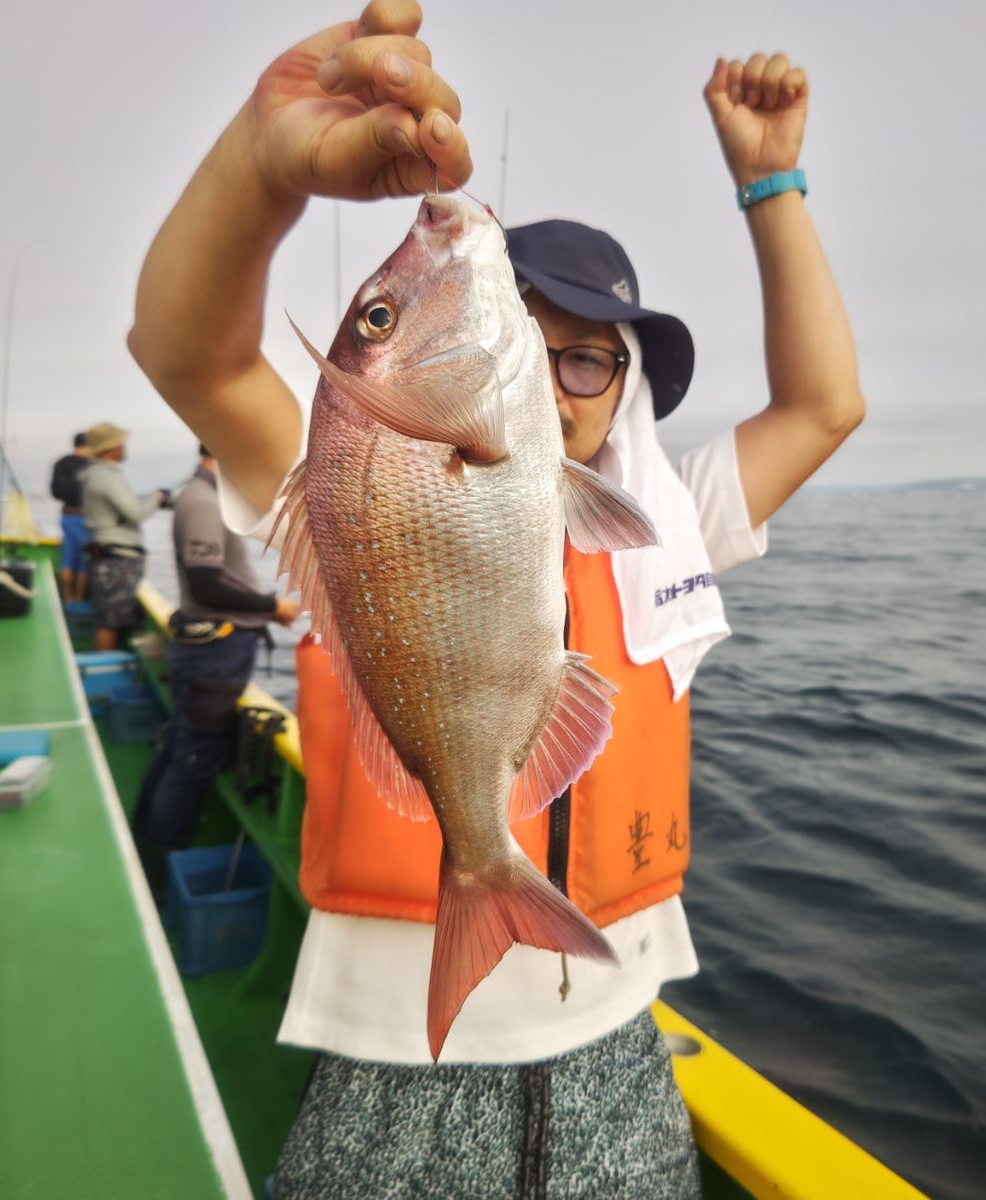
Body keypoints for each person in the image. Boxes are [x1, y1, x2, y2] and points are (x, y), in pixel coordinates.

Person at [127, 5, 864, 1197]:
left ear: (622, 386)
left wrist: (772, 182)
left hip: (620, 1035)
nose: (562, 374)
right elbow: (188, 354)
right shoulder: (360, 470)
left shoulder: (672, 515)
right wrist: (263, 166)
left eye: (593, 356)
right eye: (531, 329)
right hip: (391, 1056)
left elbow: (825, 407)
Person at [132, 444, 298, 897]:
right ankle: (159, 871)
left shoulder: (206, 497)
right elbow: (206, 580)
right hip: (215, 654)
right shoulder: (204, 501)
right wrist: (272, 606)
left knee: (181, 745)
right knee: (191, 758)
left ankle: (145, 844)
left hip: (211, 651)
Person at [79, 421, 170, 651]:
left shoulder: (95, 475)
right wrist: (158, 497)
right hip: (117, 559)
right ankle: (101, 671)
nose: (124, 447)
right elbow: (135, 512)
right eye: (121, 443)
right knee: (110, 622)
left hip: (107, 556)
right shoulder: (107, 477)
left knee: (110, 619)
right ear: (111, 448)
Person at [49, 431, 93, 603]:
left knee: (68, 559)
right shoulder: (91, 465)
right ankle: (79, 599)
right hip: (85, 518)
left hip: (66, 516)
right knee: (85, 560)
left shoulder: (60, 463)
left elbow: (55, 492)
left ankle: (67, 598)